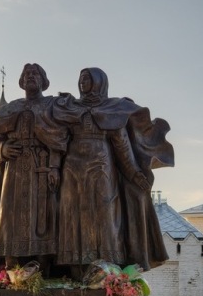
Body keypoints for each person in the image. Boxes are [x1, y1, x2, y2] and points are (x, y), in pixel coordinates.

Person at [53, 67, 173, 277]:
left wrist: (135, 173)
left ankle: (105, 269)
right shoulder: (69, 108)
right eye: (81, 79)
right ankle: (76, 269)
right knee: (71, 214)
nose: (82, 83)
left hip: (101, 167)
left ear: (99, 82)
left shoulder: (113, 109)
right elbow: (56, 140)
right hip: (72, 169)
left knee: (104, 213)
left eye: (87, 79)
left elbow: (122, 147)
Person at [0, 64, 68, 274]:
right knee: (12, 218)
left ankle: (44, 272)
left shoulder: (50, 106)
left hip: (42, 168)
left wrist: (55, 167)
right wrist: (2, 148)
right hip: (15, 171)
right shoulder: (11, 108)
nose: (30, 77)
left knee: (44, 217)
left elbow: (58, 138)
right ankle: (12, 271)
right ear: (21, 81)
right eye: (26, 74)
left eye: (35, 74)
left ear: (43, 80)